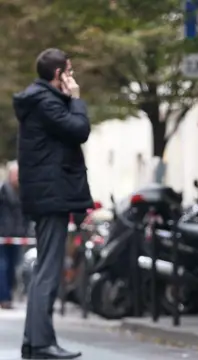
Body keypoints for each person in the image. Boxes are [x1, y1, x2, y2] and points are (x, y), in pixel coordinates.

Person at [13, 48, 93, 360]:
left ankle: (35, 342)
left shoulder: (39, 100)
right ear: (58, 74)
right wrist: (75, 98)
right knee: (48, 269)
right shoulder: (46, 101)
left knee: (45, 268)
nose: (72, 78)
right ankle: (41, 343)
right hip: (52, 196)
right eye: (69, 71)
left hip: (48, 194)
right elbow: (79, 130)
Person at [0, 161, 31, 309]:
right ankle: (4, 297)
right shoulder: (3, 190)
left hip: (17, 235)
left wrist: (24, 231)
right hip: (3, 234)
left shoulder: (22, 191)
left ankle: (7, 295)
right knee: (3, 265)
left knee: (12, 267)